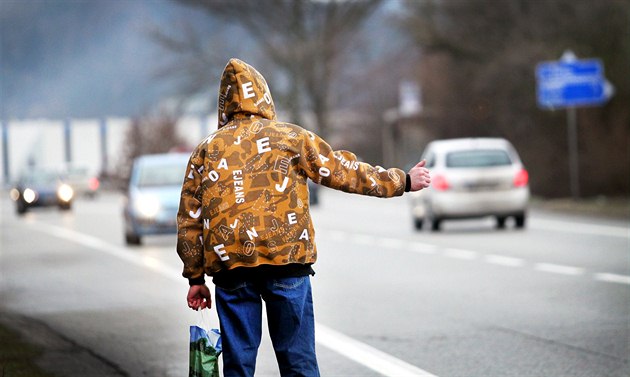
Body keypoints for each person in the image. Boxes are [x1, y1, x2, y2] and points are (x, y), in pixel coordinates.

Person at [177, 58, 431, 377]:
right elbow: (340, 170)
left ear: (224, 104)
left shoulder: (206, 150)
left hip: (231, 268)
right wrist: (402, 181)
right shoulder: (291, 138)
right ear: (264, 97)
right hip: (287, 260)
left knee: (238, 363)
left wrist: (195, 278)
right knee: (297, 359)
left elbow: (189, 218)